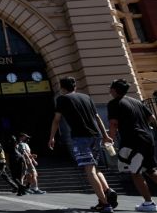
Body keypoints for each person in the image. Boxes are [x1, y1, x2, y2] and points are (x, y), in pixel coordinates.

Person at [107, 79, 157, 212]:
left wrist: (110, 138)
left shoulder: (114, 103)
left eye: (110, 88)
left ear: (114, 90)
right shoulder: (137, 102)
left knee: (135, 172)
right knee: (150, 169)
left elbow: (114, 124)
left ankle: (149, 203)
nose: (109, 90)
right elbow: (153, 118)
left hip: (132, 140)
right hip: (148, 138)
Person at [49, 77, 117, 213]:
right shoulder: (86, 97)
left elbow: (57, 120)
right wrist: (105, 135)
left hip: (80, 137)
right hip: (96, 136)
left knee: (89, 170)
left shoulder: (62, 99)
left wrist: (51, 137)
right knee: (95, 167)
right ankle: (107, 191)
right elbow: (97, 118)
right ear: (75, 87)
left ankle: (105, 204)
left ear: (62, 88)